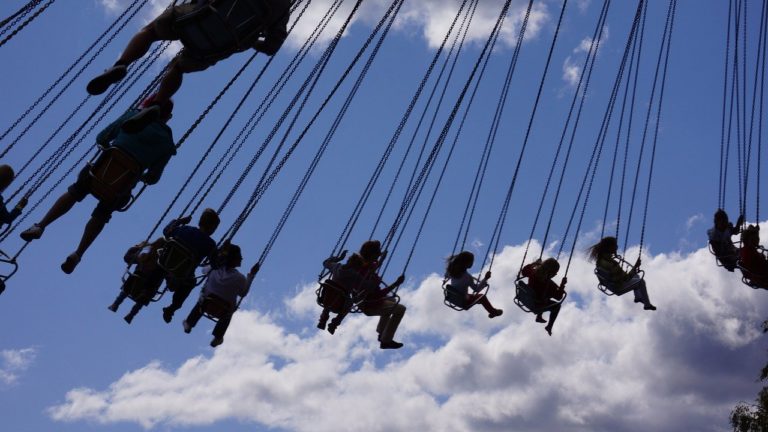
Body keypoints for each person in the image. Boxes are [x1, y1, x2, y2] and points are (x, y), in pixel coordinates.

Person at [19, 98, 176, 274]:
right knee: (102, 214)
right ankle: (78, 254)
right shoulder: (167, 143)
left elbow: (102, 137)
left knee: (75, 192)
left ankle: (41, 226)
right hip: (119, 190)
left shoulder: (132, 116)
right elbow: (153, 178)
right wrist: (140, 172)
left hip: (97, 173)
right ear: (168, 117)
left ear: (148, 106)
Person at [87, 0, 291, 132]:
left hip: (196, 17)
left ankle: (122, 64)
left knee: (151, 31)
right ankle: (158, 103)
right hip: (218, 45)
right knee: (178, 68)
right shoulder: (283, 7)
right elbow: (272, 47)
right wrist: (251, 39)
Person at [183, 243, 256, 347]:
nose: (242, 259)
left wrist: (217, 257)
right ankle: (218, 336)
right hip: (223, 310)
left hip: (206, 304)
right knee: (229, 313)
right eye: (240, 257)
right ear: (234, 259)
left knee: (201, 301)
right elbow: (243, 293)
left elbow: (203, 271)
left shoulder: (214, 268)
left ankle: (189, 323)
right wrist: (251, 275)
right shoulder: (239, 278)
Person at [160, 208, 220, 323]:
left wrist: (179, 221)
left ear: (199, 222)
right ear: (213, 228)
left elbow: (166, 231)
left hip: (166, 263)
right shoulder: (210, 244)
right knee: (190, 283)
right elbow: (215, 265)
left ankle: (168, 279)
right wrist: (221, 252)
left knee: (162, 256)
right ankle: (172, 308)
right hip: (184, 274)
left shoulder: (184, 229)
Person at [354, 240, 407, 350]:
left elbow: (375, 265)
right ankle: (386, 341)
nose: (378, 257)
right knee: (400, 309)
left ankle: (381, 332)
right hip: (370, 304)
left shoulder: (362, 266)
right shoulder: (366, 274)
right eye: (377, 254)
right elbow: (378, 294)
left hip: (367, 301)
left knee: (392, 301)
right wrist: (396, 284)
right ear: (372, 255)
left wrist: (382, 258)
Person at [588, 236, 656, 311]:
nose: (617, 247)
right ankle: (647, 305)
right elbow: (625, 279)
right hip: (618, 287)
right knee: (641, 282)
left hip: (609, 285)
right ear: (610, 248)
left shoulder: (600, 260)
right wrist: (635, 266)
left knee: (636, 276)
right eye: (615, 245)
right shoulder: (612, 264)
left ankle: (638, 297)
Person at [108, 239, 168, 323]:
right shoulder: (164, 267)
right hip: (145, 291)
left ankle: (116, 303)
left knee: (136, 278)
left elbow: (127, 257)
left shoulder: (144, 257)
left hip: (135, 286)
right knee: (148, 289)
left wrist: (138, 247)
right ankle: (131, 314)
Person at [317, 250, 364, 335]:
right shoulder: (355, 276)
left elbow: (325, 263)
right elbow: (367, 286)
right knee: (350, 301)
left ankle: (322, 320)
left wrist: (339, 258)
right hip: (340, 306)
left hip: (325, 299)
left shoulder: (336, 266)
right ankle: (334, 324)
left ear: (348, 261)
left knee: (330, 292)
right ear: (357, 267)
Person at [444, 251, 503, 318]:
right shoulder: (467, 277)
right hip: (463, 301)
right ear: (467, 263)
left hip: (453, 296)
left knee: (475, 297)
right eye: (472, 262)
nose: (473, 263)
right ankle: (493, 312)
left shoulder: (451, 270)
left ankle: (484, 304)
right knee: (482, 297)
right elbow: (476, 289)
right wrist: (485, 278)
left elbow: (446, 276)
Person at [521, 258, 566, 336]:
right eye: (556, 272)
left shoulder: (533, 273)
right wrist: (562, 285)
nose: (556, 274)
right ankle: (549, 326)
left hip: (526, 298)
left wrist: (535, 263)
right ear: (551, 272)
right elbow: (559, 297)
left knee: (543, 296)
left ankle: (539, 317)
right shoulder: (548, 284)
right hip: (536, 305)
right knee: (557, 306)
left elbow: (524, 271)